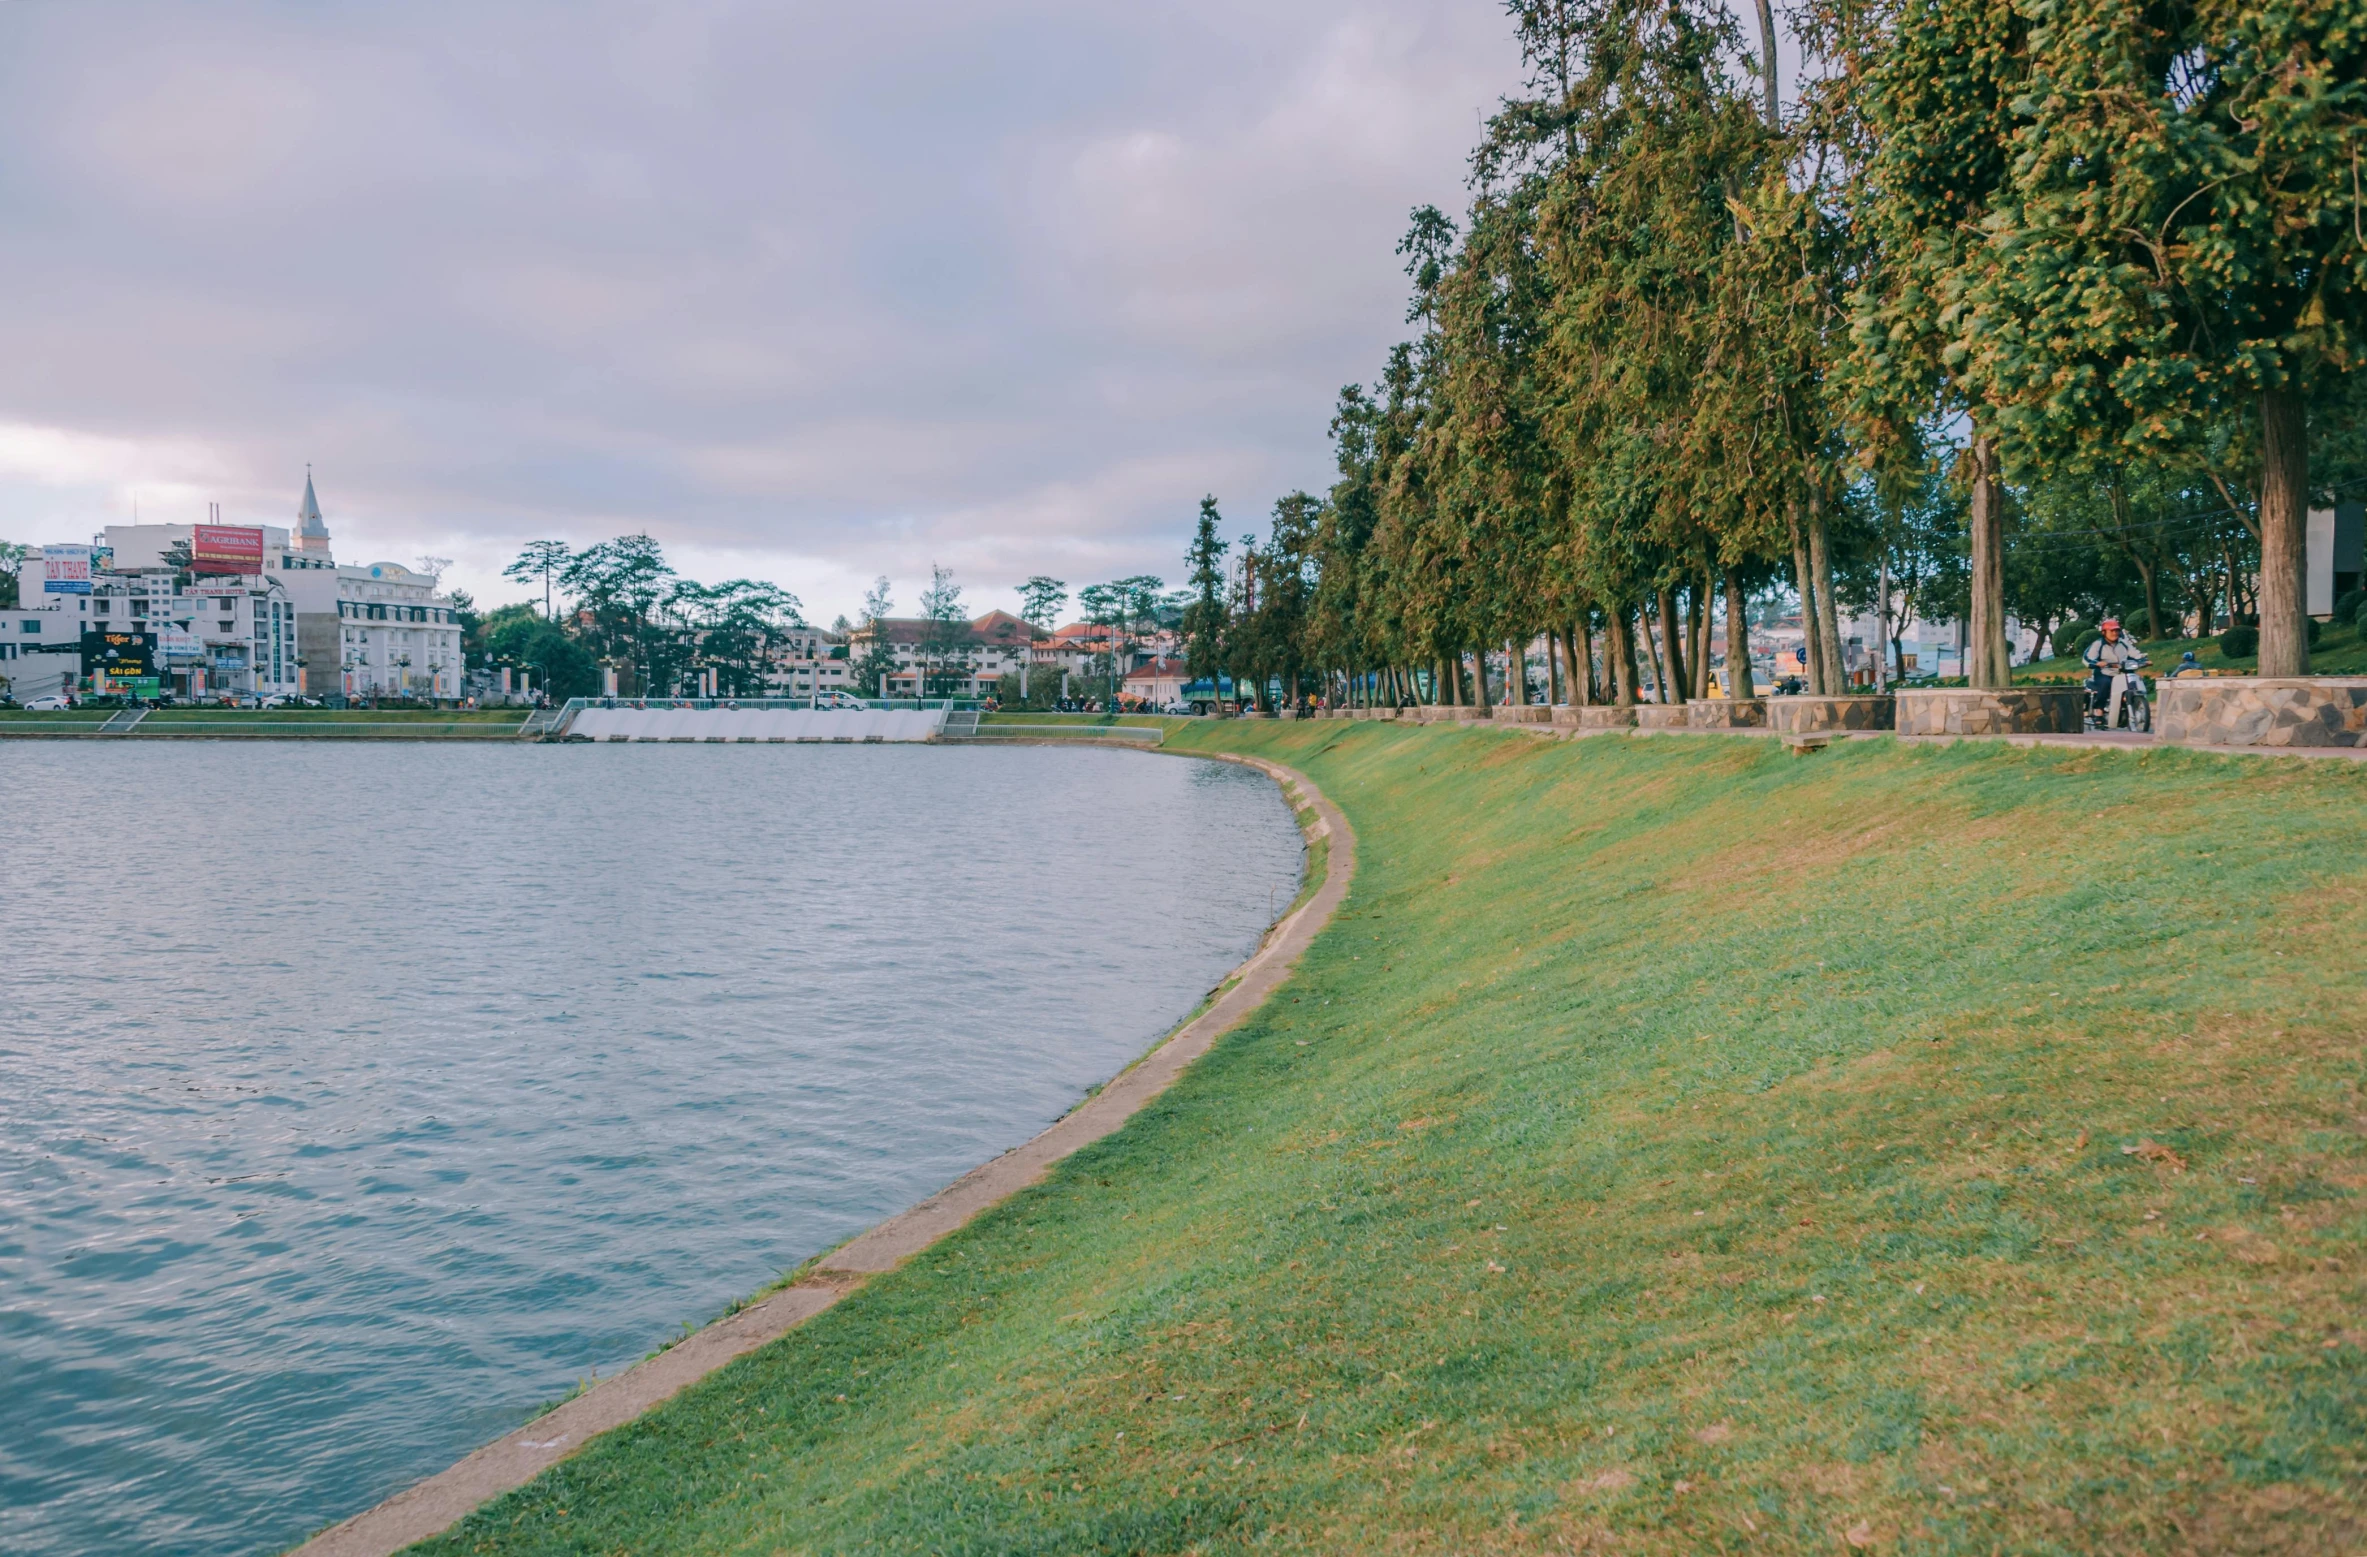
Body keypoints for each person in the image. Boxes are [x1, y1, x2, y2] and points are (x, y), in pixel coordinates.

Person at [2084, 617, 2149, 725]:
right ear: (2104, 632)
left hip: (2122, 672)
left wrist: (2143, 660)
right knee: (2105, 684)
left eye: (2117, 630)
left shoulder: (2123, 643)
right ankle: (2099, 713)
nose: (2115, 633)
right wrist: (2096, 663)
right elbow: (2087, 658)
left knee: (2134, 682)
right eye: (2112, 631)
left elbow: (2134, 652)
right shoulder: (2098, 644)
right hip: (2104, 672)